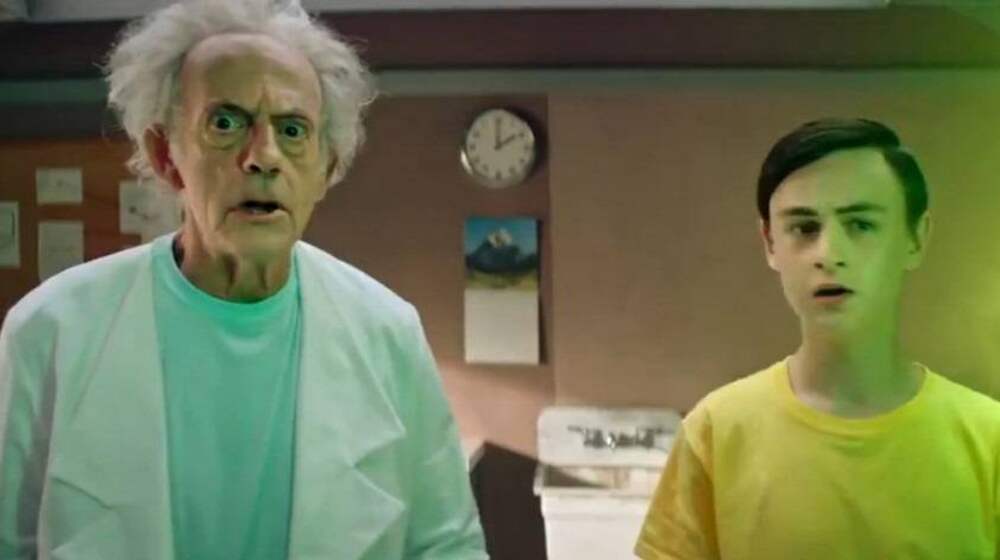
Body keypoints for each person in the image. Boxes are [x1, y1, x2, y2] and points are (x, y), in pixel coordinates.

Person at [0, 1, 488, 558]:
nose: (263, 157)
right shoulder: (51, 330)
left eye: (293, 130)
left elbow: (446, 545)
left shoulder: (388, 333)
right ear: (165, 155)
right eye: (226, 124)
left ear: (325, 169)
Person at [635, 118, 1000, 559]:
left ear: (915, 238)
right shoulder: (716, 431)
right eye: (804, 228)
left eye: (861, 225)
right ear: (770, 243)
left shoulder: (988, 438)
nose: (829, 255)